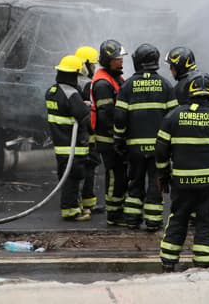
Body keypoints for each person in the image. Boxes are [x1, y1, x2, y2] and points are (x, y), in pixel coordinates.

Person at [156, 72, 209, 271]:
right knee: (206, 221)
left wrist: (163, 174)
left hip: (182, 183)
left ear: (189, 90)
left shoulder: (173, 116)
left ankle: (168, 262)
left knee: (178, 218)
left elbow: (160, 148)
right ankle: (203, 264)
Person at [114, 43, 177, 230]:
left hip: (134, 148)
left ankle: (132, 220)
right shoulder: (166, 85)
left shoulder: (127, 86)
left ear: (138, 62)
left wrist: (119, 139)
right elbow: (174, 117)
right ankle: (153, 221)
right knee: (156, 182)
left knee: (135, 182)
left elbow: (119, 116)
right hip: (159, 148)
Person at [46, 55, 92, 221]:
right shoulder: (72, 93)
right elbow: (84, 116)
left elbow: (65, 110)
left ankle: (73, 206)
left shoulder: (52, 91)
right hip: (73, 145)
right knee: (73, 177)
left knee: (66, 176)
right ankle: (71, 211)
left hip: (60, 144)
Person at [92, 39, 129, 226]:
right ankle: (114, 215)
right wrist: (117, 137)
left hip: (115, 137)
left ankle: (118, 209)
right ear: (108, 60)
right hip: (109, 139)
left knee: (121, 174)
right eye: (117, 58)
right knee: (115, 175)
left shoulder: (115, 77)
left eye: (121, 57)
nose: (121, 61)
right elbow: (107, 116)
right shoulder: (102, 84)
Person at [75, 45, 103, 215]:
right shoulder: (86, 85)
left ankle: (84, 203)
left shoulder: (72, 82)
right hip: (87, 136)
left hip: (76, 136)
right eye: (92, 65)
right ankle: (86, 204)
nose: (94, 68)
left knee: (80, 170)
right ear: (85, 64)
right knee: (89, 168)